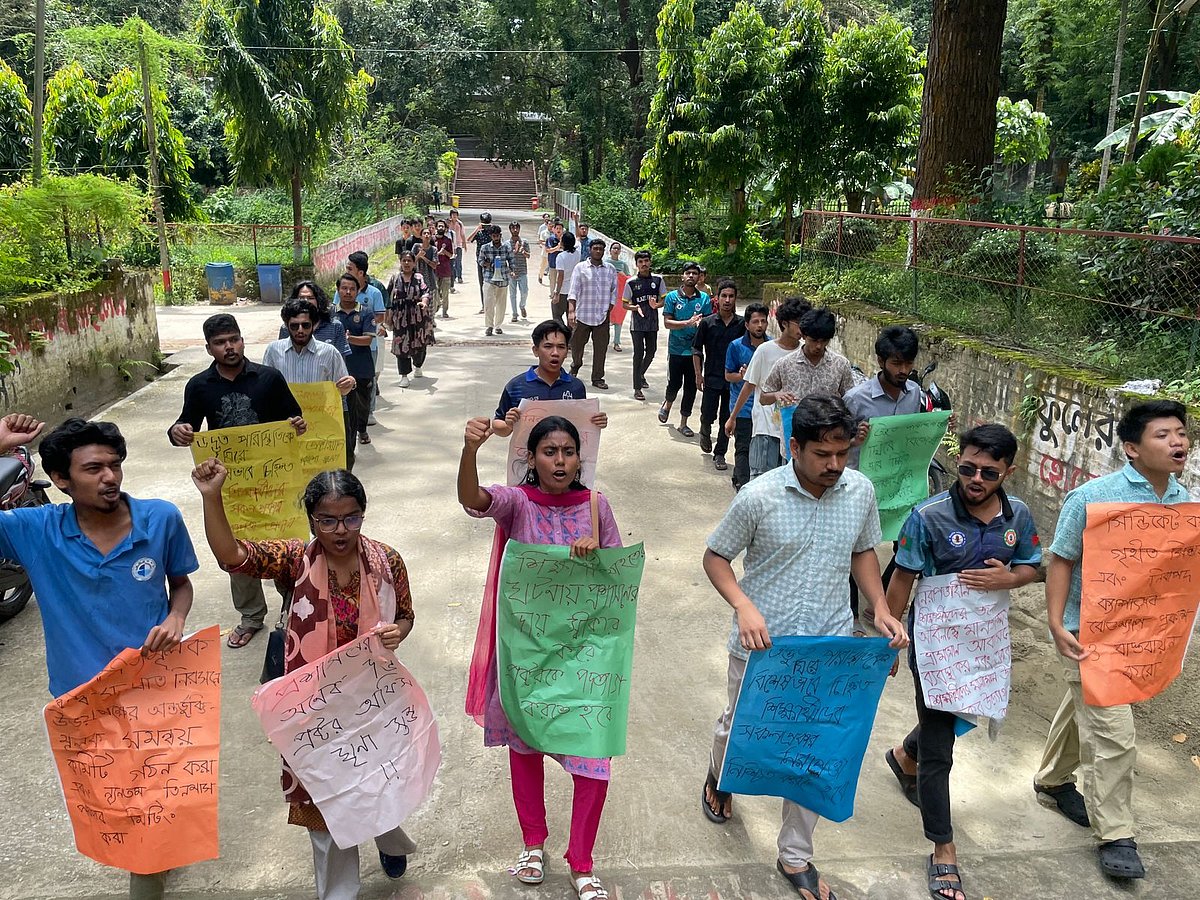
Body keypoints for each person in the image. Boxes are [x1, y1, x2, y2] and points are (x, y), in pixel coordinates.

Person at [702, 394, 907, 900]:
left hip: (830, 646)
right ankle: (720, 776)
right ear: (794, 447)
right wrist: (743, 606)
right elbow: (716, 558)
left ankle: (796, 855)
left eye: (841, 453)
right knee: (740, 727)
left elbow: (863, 551)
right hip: (763, 646)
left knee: (814, 748)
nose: (834, 465)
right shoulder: (758, 495)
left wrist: (879, 609)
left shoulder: (859, 490)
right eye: (823, 455)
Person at [192, 462, 417, 900]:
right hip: (312, 707)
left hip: (372, 700)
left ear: (363, 515)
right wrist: (211, 496)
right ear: (311, 520)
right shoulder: (296, 560)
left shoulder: (387, 561)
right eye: (327, 520)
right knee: (324, 799)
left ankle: (389, 837)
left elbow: (406, 615)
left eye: (351, 518)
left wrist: (400, 631)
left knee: (376, 780)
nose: (340, 530)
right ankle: (338, 893)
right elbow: (232, 556)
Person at [0, 414, 198, 900]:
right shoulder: (36, 530)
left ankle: (147, 874)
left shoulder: (161, 518)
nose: (109, 477)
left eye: (114, 465)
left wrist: (175, 618)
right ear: (62, 480)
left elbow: (181, 584)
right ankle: (150, 858)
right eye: (93, 469)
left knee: (152, 795)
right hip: (82, 697)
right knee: (116, 801)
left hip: (156, 690)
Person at [458, 414, 621, 900]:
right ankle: (533, 844)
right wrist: (469, 451)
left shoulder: (596, 505)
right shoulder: (518, 504)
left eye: (568, 452)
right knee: (525, 749)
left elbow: (620, 582)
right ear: (531, 458)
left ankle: (582, 860)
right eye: (549, 452)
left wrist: (600, 559)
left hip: (583, 657)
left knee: (593, 757)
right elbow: (473, 499)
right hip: (527, 656)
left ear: (580, 458)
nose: (560, 461)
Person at [1033, 400, 1191, 882]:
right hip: (1089, 633)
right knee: (1115, 735)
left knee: (1089, 713)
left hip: (1143, 637)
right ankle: (1116, 834)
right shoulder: (1093, 499)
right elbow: (1061, 559)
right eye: (1162, 435)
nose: (1178, 442)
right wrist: (1057, 623)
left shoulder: (1189, 504)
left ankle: (1053, 781)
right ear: (1131, 448)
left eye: (1181, 433)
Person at [883, 424, 1041, 900]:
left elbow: (1033, 564)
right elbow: (901, 579)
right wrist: (890, 633)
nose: (975, 478)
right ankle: (943, 848)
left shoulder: (1021, 515)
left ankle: (903, 755)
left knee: (964, 715)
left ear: (1008, 472)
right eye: (967, 468)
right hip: (935, 643)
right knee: (940, 746)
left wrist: (1008, 581)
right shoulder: (927, 517)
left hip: (985, 642)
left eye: (988, 472)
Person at [168, 313, 305, 648]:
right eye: (220, 343)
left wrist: (298, 425)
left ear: (243, 340)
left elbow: (293, 418)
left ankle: (296, 610)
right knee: (236, 551)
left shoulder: (270, 378)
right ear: (208, 348)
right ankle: (250, 617)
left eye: (234, 339)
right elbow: (185, 425)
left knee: (285, 546)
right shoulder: (199, 386)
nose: (229, 347)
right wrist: (178, 431)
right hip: (229, 487)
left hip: (273, 480)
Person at [842, 325, 924, 628]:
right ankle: (850, 615)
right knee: (852, 547)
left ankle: (884, 603)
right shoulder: (856, 398)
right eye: (896, 363)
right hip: (859, 484)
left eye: (908, 363)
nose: (903, 370)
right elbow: (837, 441)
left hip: (899, 485)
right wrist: (853, 440)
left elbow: (915, 434)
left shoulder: (914, 394)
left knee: (907, 542)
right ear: (880, 361)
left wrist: (940, 423)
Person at [263, 298, 357, 468]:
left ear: (314, 324)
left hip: (321, 429)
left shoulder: (329, 353)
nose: (300, 330)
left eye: (305, 325)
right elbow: (265, 389)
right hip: (285, 428)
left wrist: (350, 383)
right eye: (294, 326)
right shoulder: (273, 351)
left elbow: (342, 390)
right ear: (286, 325)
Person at [725, 297, 810, 480]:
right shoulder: (765, 351)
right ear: (784, 324)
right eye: (799, 323)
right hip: (766, 428)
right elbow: (749, 385)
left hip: (793, 431)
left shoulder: (805, 352)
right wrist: (732, 418)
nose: (803, 329)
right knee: (761, 479)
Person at [491, 320, 608, 437]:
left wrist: (596, 421)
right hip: (526, 454)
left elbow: (581, 423)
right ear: (535, 351)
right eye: (548, 346)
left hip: (564, 453)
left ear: (567, 351)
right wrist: (509, 425)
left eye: (561, 347)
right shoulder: (516, 386)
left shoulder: (576, 387)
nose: (555, 353)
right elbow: (497, 425)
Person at [759, 308, 854, 420]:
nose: (819, 346)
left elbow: (850, 399)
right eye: (814, 340)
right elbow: (763, 398)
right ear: (803, 336)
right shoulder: (785, 364)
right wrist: (776, 395)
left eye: (824, 341)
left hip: (828, 431)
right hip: (794, 431)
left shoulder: (841, 365)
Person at [693, 279, 745, 472]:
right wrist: (698, 375)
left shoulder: (742, 325)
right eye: (724, 296)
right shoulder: (707, 323)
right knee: (708, 414)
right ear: (717, 298)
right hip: (712, 378)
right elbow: (697, 349)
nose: (727, 300)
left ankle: (720, 453)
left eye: (731, 296)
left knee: (727, 417)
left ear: (735, 299)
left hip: (733, 381)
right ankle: (704, 430)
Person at [658, 262, 711, 437]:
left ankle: (683, 423)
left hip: (695, 351)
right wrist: (687, 323)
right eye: (688, 273)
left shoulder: (704, 298)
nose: (691, 276)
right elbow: (667, 323)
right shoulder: (673, 297)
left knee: (691, 387)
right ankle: (667, 403)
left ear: (699, 277)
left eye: (694, 273)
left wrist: (701, 323)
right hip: (676, 350)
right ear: (682, 276)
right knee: (674, 384)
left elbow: (708, 321)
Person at [723, 302, 769, 491]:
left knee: (761, 451)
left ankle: (743, 479)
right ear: (747, 325)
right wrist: (742, 376)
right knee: (743, 447)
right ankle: (743, 486)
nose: (760, 325)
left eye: (763, 321)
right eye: (755, 321)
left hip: (765, 409)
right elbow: (728, 375)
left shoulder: (771, 347)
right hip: (742, 408)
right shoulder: (735, 346)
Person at [333, 273, 378, 450]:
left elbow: (368, 340)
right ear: (338, 290)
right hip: (340, 367)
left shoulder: (366, 312)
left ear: (358, 291)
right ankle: (348, 435)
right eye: (344, 288)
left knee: (363, 401)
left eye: (352, 289)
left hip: (362, 365)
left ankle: (362, 429)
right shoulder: (330, 313)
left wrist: (348, 339)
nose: (348, 292)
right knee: (345, 405)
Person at [567, 238, 617, 390]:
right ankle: (575, 366)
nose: (598, 251)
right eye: (595, 248)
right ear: (590, 250)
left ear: (604, 251)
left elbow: (614, 290)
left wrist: (610, 306)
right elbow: (573, 290)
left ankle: (597, 377)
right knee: (576, 345)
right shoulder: (580, 268)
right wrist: (571, 310)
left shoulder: (610, 269)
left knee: (601, 348)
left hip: (602, 315)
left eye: (601, 249)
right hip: (583, 314)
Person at [347, 251, 387, 426]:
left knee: (368, 379)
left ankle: (369, 412)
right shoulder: (343, 290)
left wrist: (364, 323)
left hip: (368, 345)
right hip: (347, 344)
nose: (347, 271)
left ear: (360, 273)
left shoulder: (374, 292)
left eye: (350, 268)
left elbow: (380, 316)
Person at [384, 251, 435, 388]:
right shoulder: (395, 278)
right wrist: (386, 315)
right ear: (400, 262)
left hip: (417, 316)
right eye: (404, 260)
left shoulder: (419, 278)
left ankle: (418, 365)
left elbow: (425, 292)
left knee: (419, 344)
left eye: (409, 261)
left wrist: (424, 302)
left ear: (414, 263)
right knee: (401, 345)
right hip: (400, 318)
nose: (406, 263)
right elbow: (386, 297)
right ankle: (404, 375)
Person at [621, 250, 667, 401]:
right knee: (638, 354)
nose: (644, 264)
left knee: (652, 351)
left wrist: (656, 305)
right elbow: (625, 304)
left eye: (646, 261)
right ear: (636, 264)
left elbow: (663, 301)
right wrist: (635, 307)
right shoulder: (631, 282)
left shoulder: (658, 280)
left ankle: (641, 374)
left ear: (650, 262)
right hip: (637, 325)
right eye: (640, 262)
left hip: (652, 323)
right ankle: (637, 388)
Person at [281, 281, 353, 357]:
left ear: (319, 301)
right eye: (301, 298)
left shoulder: (335, 326)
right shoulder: (286, 328)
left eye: (310, 298)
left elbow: (340, 361)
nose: (305, 301)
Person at [479, 225, 516, 337]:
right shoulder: (485, 247)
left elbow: (511, 260)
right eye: (493, 236)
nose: (495, 238)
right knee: (489, 303)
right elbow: (480, 260)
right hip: (489, 278)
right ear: (491, 236)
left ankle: (498, 325)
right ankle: (489, 326)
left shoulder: (507, 247)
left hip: (503, 279)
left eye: (497, 235)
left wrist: (513, 270)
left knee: (501, 304)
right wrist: (488, 264)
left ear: (500, 235)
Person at [604, 242, 630, 353]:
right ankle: (604, 342)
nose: (616, 250)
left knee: (619, 320)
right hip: (607, 295)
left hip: (620, 296)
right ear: (610, 250)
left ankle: (617, 342)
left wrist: (622, 275)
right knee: (605, 320)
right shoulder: (605, 263)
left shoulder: (623, 265)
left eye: (618, 248)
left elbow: (629, 280)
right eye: (614, 248)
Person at [466, 212, 495, 312]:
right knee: (482, 284)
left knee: (494, 283)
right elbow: (468, 240)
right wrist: (477, 229)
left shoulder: (494, 234)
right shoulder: (479, 233)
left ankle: (493, 304)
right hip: (481, 262)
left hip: (493, 262)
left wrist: (493, 228)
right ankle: (484, 305)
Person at [505, 221, 531, 323]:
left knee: (524, 292)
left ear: (519, 229)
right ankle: (514, 314)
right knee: (512, 294)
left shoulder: (524, 242)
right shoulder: (506, 244)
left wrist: (523, 251)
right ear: (510, 229)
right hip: (511, 272)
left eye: (517, 228)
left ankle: (522, 305)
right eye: (513, 228)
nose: (515, 230)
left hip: (522, 271)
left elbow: (529, 256)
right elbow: (505, 258)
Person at [552, 232, 580, 327]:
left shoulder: (561, 256)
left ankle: (562, 332)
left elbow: (560, 276)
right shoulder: (577, 253)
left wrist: (556, 293)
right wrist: (576, 221)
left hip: (563, 290)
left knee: (557, 315)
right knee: (571, 315)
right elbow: (578, 238)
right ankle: (570, 336)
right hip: (575, 290)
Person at [433, 219, 455, 318]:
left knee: (445, 293)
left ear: (445, 228)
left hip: (446, 270)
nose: (441, 228)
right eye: (439, 226)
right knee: (435, 292)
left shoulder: (448, 240)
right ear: (436, 227)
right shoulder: (432, 240)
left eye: (443, 226)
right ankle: (436, 306)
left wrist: (444, 251)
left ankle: (445, 311)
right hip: (434, 270)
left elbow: (451, 255)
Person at [449, 209, 467, 289]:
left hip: (458, 245)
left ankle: (459, 277)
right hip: (450, 246)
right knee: (452, 263)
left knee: (458, 262)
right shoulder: (448, 223)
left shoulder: (460, 223)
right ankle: (454, 276)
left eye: (456, 215)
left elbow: (462, 234)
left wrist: (464, 244)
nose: (454, 216)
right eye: (453, 215)